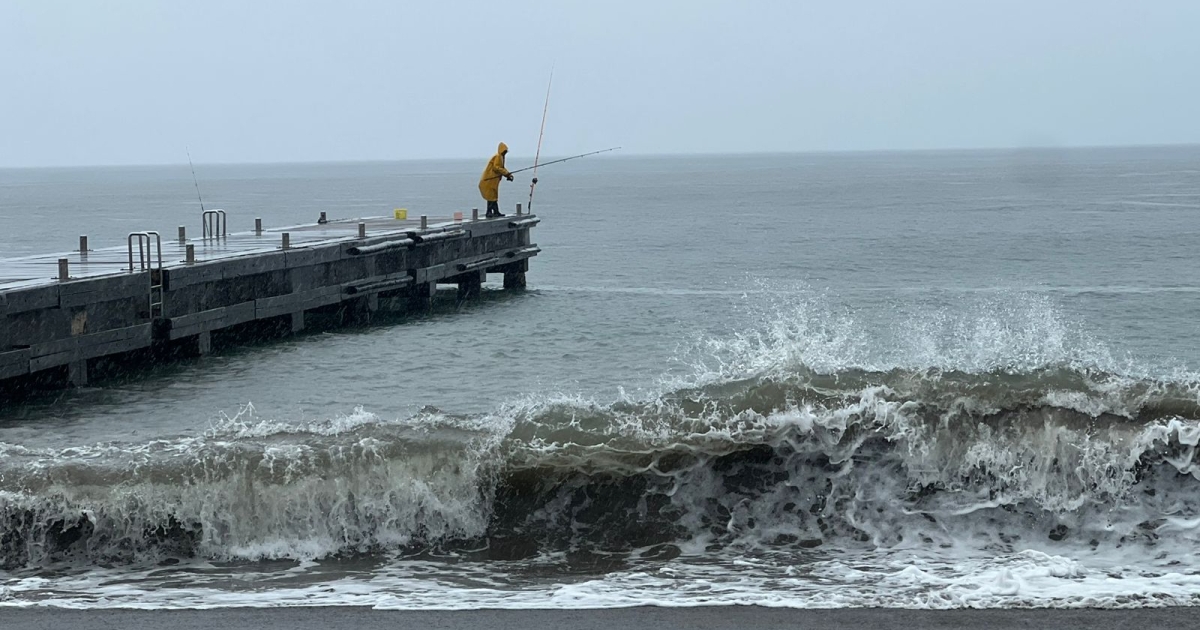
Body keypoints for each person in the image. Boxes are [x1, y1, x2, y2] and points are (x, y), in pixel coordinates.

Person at [478, 142, 514, 217]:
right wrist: (507, 174)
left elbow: (502, 168)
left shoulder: (500, 157)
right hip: (489, 179)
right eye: (505, 151)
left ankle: (495, 212)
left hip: (492, 181)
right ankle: (489, 212)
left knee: (493, 196)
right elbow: (496, 167)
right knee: (491, 196)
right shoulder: (498, 156)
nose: (505, 153)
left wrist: (508, 175)